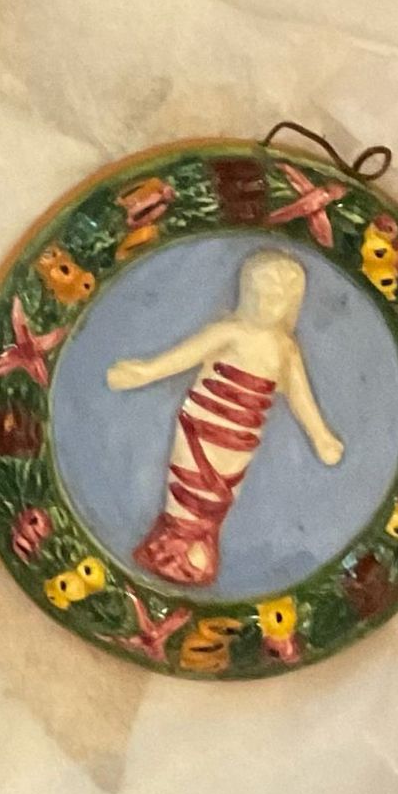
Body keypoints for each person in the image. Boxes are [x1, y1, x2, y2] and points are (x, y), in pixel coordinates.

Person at [106, 247, 343, 588]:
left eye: (277, 298)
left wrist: (321, 436)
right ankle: (168, 551)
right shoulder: (230, 331)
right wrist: (145, 372)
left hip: (241, 435)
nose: (267, 304)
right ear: (247, 291)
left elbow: (300, 395)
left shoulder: (286, 348)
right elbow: (183, 357)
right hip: (202, 424)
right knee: (188, 487)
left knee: (216, 498)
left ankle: (195, 555)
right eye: (261, 294)